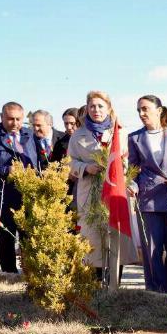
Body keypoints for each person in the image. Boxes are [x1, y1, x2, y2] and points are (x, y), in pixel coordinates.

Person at [68, 91, 138, 282]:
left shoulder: (120, 132)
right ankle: (96, 284)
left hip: (115, 192)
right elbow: (69, 163)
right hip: (90, 192)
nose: (96, 110)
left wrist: (131, 182)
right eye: (92, 106)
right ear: (86, 108)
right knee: (93, 241)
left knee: (117, 237)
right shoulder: (78, 135)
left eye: (100, 106)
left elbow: (131, 163)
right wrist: (85, 167)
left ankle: (115, 284)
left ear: (108, 107)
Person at [128, 95, 167, 296]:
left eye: (145, 108)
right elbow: (133, 169)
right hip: (148, 201)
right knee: (152, 250)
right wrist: (131, 184)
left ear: (159, 110)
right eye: (139, 110)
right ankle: (156, 294)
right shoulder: (134, 137)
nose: (141, 113)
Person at [0, 101, 39, 273]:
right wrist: (6, 170)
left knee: (29, 234)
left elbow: (38, 161)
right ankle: (9, 273)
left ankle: (31, 271)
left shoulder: (30, 135)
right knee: (6, 236)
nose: (15, 123)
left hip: (27, 193)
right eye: (10, 119)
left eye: (19, 119)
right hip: (2, 194)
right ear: (2, 117)